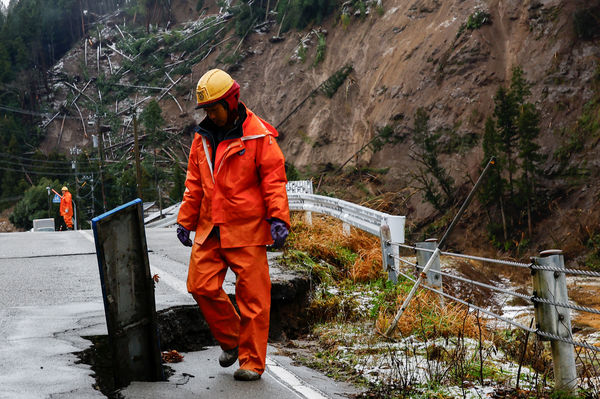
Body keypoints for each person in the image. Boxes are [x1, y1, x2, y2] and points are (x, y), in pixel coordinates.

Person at [176, 69, 290, 381]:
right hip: (210, 228)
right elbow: (194, 185)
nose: (210, 115)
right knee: (199, 286)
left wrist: (279, 217)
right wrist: (185, 221)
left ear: (231, 101)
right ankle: (233, 340)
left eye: (214, 108)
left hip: (247, 230)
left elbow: (274, 180)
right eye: (207, 110)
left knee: (253, 298)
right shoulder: (202, 139)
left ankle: (252, 362)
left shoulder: (258, 135)